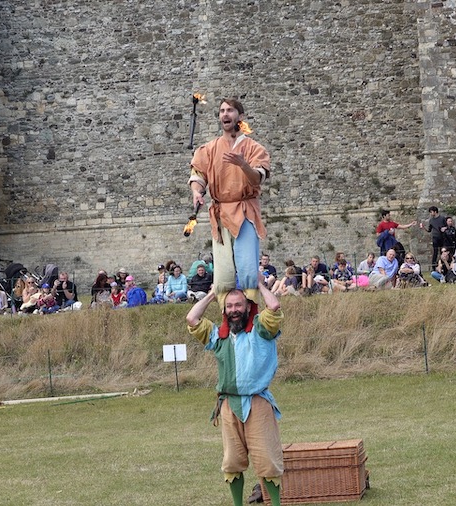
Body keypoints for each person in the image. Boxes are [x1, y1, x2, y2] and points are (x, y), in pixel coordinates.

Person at [186, 280, 284, 506]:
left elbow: (274, 307)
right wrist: (212, 295)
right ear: (224, 310)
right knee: (232, 462)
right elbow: (192, 319)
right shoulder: (218, 335)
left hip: (257, 403)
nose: (234, 311)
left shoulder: (261, 329)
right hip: (229, 405)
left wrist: (258, 284)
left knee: (268, 462)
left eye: (238, 305)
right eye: (229, 306)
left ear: (248, 306)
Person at [189, 98, 271, 303]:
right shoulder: (209, 148)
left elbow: (257, 178)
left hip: (245, 212)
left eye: (230, 110)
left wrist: (243, 165)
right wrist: (197, 192)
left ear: (240, 117)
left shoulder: (254, 148)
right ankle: (228, 325)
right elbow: (198, 175)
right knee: (223, 277)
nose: (225, 114)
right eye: (222, 111)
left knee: (249, 274)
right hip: (220, 213)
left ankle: (251, 320)